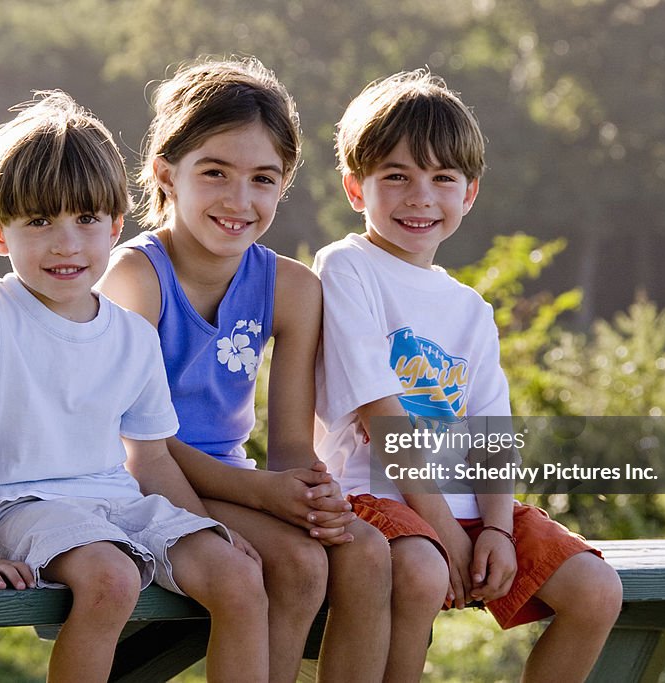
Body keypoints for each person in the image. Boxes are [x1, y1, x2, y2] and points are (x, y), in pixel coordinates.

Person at [0, 90, 269, 683]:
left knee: (237, 576)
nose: (66, 243)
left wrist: (211, 528)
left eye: (86, 220)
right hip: (16, 506)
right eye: (39, 221)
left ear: (115, 226)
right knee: (112, 579)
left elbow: (150, 458)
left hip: (115, 502)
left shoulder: (131, 335)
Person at [313, 70, 624, 682]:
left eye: (442, 179)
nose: (420, 197)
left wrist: (500, 532)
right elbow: (381, 416)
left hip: (467, 508)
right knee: (423, 572)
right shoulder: (347, 267)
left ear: (469, 193)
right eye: (396, 176)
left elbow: (490, 433)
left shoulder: (470, 308)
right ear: (356, 188)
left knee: (595, 589)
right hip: (372, 498)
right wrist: (443, 532)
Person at [100, 58, 392, 682]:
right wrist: (262, 492)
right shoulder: (135, 278)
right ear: (165, 173)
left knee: (366, 551)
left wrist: (313, 497)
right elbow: (135, 449)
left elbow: (289, 444)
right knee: (300, 566)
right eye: (215, 173)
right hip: (133, 487)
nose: (240, 200)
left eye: (263, 179)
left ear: (284, 184)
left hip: (229, 482)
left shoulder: (290, 287)